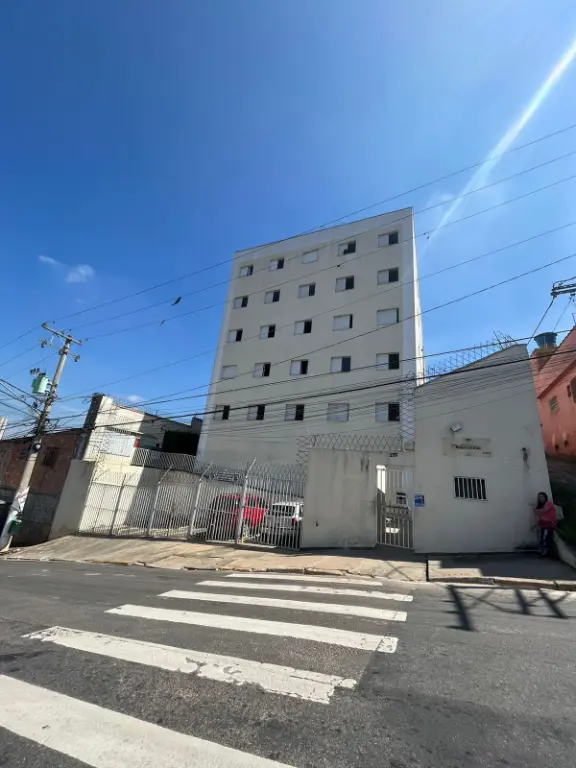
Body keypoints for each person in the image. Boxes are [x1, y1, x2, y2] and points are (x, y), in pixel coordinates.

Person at [535, 492, 557, 556]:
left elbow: (544, 510)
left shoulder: (548, 503)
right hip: (543, 523)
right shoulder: (540, 506)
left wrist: (536, 510)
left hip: (550, 523)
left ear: (545, 497)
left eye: (542, 496)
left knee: (547, 537)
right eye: (539, 497)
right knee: (541, 537)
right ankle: (542, 550)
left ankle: (546, 551)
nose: (541, 498)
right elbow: (539, 515)